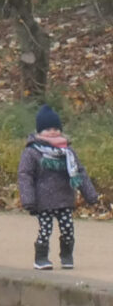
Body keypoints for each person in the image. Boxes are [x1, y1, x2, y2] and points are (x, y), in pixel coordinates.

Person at [18, 105, 99, 270]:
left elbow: (79, 172)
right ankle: (41, 258)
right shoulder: (32, 152)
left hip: (64, 199)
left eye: (56, 128)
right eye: (48, 129)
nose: (53, 131)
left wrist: (90, 195)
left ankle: (67, 255)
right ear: (39, 131)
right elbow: (25, 175)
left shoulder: (68, 152)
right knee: (45, 230)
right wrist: (28, 200)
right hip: (43, 200)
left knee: (68, 228)